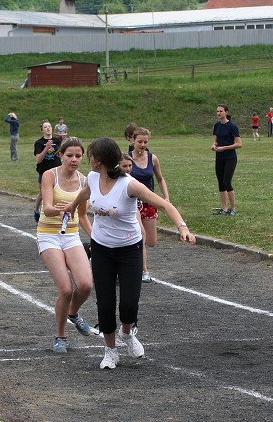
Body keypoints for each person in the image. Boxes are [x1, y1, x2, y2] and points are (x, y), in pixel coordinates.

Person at [64, 137, 196, 370]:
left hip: (130, 250)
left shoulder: (129, 184)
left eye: (90, 155)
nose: (88, 159)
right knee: (105, 304)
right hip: (102, 249)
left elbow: (164, 204)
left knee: (128, 303)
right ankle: (110, 351)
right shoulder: (93, 178)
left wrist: (182, 227)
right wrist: (71, 206)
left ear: (100, 159)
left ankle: (127, 333)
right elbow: (84, 195)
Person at [37, 137, 93, 353]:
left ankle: (73, 314)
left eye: (78, 156)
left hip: (71, 235)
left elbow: (83, 215)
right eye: (69, 155)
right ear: (60, 155)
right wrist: (62, 209)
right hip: (49, 235)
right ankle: (60, 336)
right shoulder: (49, 175)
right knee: (66, 288)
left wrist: (96, 237)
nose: (74, 159)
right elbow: (48, 207)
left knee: (86, 285)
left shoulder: (84, 181)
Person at [129, 127, 169, 283]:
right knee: (140, 235)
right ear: (132, 141)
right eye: (140, 142)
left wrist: (165, 196)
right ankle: (143, 270)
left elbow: (160, 178)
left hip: (149, 201)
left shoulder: (153, 158)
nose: (143, 145)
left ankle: (129, 253)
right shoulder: (126, 160)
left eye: (145, 142)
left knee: (151, 241)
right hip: (133, 202)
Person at [119, 153, 150, 280]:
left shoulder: (132, 180)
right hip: (117, 213)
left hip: (132, 209)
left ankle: (143, 270)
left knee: (142, 234)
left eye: (130, 165)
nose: (128, 169)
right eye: (124, 166)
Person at [211, 104, 242, 216]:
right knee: (220, 183)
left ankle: (233, 209)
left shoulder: (232, 126)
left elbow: (239, 144)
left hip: (230, 158)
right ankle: (224, 209)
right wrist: (214, 146)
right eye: (217, 111)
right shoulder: (216, 125)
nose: (219, 113)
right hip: (219, 158)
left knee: (227, 182)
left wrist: (224, 148)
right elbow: (216, 141)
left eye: (221, 111)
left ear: (226, 112)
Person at [33, 120, 62, 222]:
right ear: (42, 130)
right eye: (45, 127)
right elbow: (38, 159)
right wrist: (46, 148)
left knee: (56, 193)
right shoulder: (39, 143)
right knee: (42, 194)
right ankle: (36, 211)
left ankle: (54, 213)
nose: (48, 128)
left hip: (57, 171)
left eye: (49, 126)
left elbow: (61, 154)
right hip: (44, 172)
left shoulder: (57, 141)